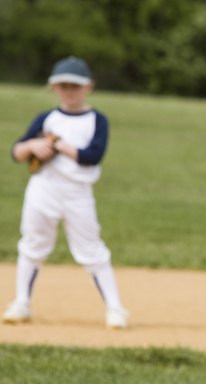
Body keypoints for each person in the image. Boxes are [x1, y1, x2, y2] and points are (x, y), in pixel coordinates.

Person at [3, 56, 129, 329]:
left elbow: (91, 156)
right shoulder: (46, 118)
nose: (69, 90)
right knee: (33, 244)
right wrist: (34, 146)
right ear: (54, 88)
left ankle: (115, 308)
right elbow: (17, 151)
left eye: (75, 85)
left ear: (88, 87)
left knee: (91, 250)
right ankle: (21, 302)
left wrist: (58, 144)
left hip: (78, 193)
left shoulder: (97, 119)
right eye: (63, 86)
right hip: (43, 189)